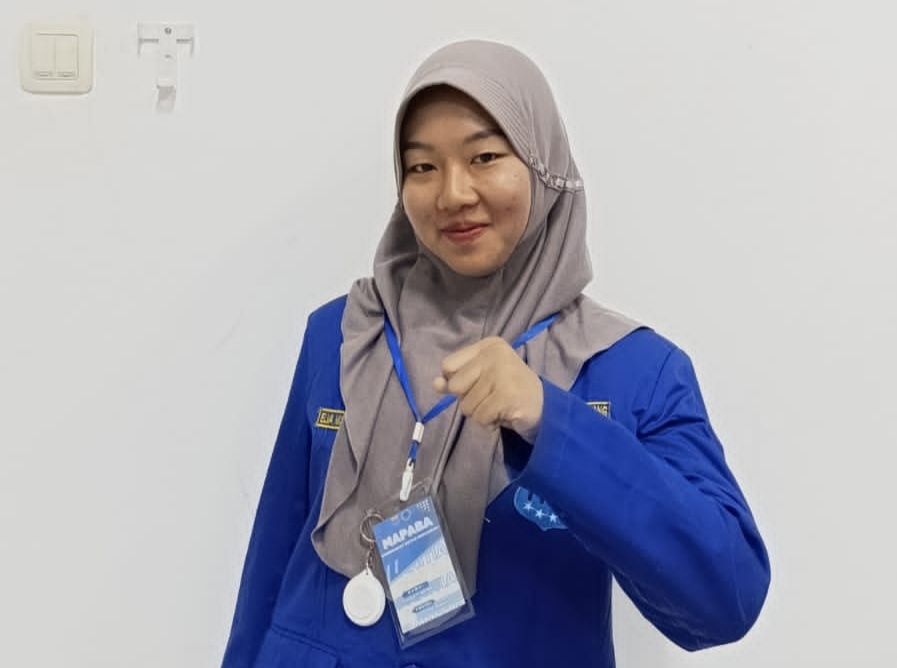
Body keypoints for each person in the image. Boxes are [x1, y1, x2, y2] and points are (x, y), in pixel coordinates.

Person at [221, 39, 770, 668]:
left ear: (544, 167)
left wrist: (550, 421)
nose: (453, 193)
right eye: (421, 166)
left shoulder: (632, 369)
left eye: (484, 156)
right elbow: (270, 562)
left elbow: (726, 597)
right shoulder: (344, 333)